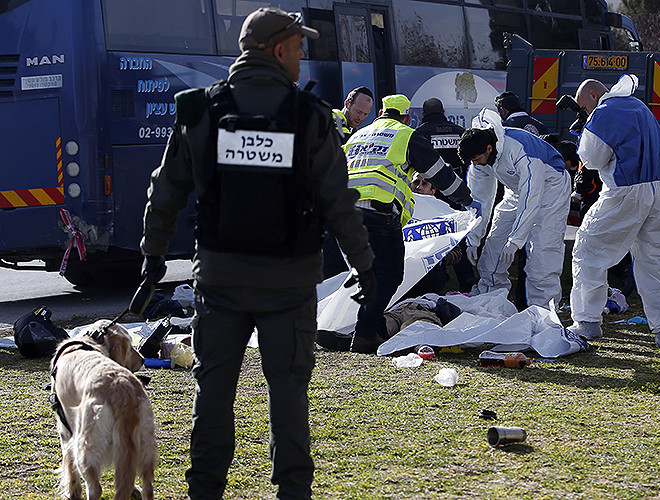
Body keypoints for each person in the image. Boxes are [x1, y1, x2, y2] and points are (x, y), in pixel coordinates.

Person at [137, 8, 376, 498]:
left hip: (219, 283)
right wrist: (365, 263)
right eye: (300, 46)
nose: (303, 56)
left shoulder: (198, 110)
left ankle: (204, 491)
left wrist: (153, 256)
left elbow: (165, 192)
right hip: (288, 287)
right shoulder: (310, 116)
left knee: (213, 393)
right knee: (288, 395)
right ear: (278, 49)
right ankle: (293, 492)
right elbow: (338, 201)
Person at [341, 93, 476, 354]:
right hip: (377, 215)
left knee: (363, 274)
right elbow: (439, 173)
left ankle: (355, 327)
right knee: (389, 275)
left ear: (380, 113)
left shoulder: (357, 136)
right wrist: (466, 197)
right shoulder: (405, 135)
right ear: (406, 117)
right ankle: (364, 333)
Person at [567, 76, 660, 349]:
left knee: (589, 250)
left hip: (625, 191)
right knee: (657, 261)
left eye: (584, 107)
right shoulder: (639, 106)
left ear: (594, 95)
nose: (586, 113)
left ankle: (587, 321)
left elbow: (592, 160)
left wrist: (584, 130)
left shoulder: (605, 113)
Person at [458, 108, 570, 309]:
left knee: (543, 253)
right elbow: (479, 199)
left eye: (476, 159)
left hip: (551, 188)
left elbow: (532, 196)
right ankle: (490, 304)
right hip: (516, 189)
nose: (475, 164)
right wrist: (473, 238)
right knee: (494, 248)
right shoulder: (480, 158)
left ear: (489, 148)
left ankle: (544, 313)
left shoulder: (521, 149)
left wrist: (516, 240)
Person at [415, 97, 477, 292]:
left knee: (429, 238)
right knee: (457, 236)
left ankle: (434, 275)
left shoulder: (418, 135)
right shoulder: (460, 133)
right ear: (443, 113)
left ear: (423, 115)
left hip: (427, 194)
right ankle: (466, 277)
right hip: (455, 193)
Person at [322, 86, 375, 278]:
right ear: (347, 104)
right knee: (332, 261)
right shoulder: (336, 120)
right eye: (358, 111)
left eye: (365, 114)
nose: (361, 117)